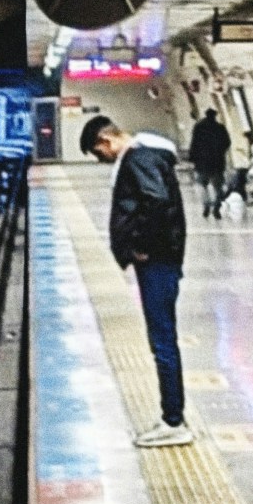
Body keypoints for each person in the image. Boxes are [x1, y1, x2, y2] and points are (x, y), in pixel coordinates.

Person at [83, 114, 192, 446]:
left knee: (162, 340)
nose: (103, 160)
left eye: (99, 154)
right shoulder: (148, 155)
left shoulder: (138, 159)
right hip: (162, 259)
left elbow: (156, 201)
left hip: (158, 261)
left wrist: (142, 246)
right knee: (162, 338)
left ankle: (174, 421)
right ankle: (172, 417)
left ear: (107, 141)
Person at [187, 106, 231, 201]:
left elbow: (194, 142)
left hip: (202, 160)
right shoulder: (220, 127)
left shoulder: (199, 127)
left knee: (203, 183)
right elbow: (227, 142)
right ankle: (219, 202)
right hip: (217, 160)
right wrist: (221, 152)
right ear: (215, 116)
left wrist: (192, 156)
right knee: (218, 182)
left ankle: (206, 201)